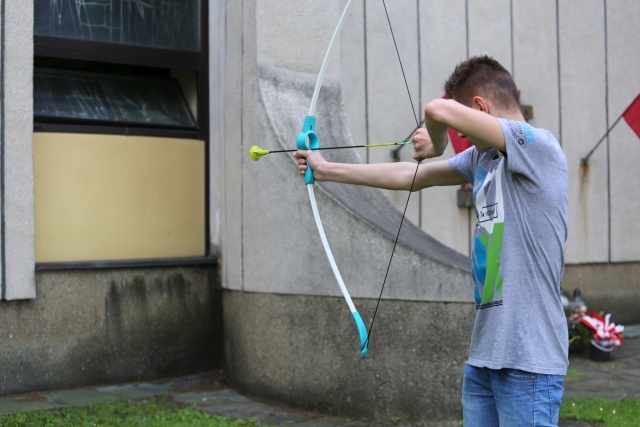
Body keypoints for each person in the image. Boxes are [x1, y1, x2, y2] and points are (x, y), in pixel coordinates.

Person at [295, 55, 568, 427]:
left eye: (464, 129)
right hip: (485, 358)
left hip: (528, 364)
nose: (464, 140)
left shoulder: (538, 147)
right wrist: (327, 170)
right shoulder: (482, 158)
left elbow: (435, 110)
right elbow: (412, 175)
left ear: (479, 109)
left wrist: (437, 140)